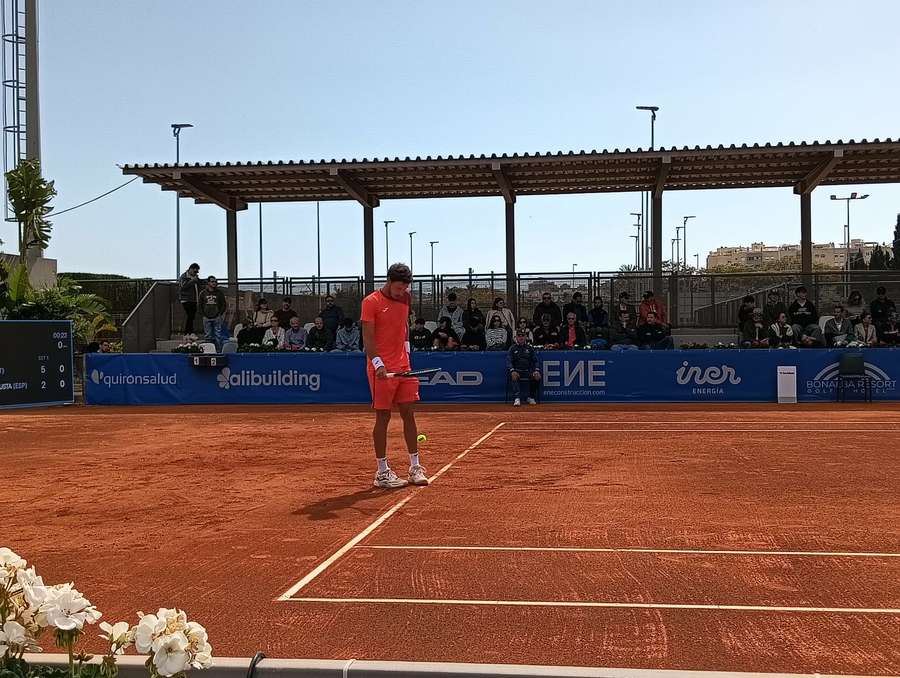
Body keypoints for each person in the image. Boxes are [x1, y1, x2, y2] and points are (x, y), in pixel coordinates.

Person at [360, 263, 428, 488]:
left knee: (408, 412)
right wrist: (377, 363)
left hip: (403, 365)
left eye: (404, 288)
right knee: (383, 416)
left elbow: (404, 325)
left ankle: (415, 467)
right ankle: (382, 472)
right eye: (398, 288)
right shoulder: (370, 302)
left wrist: (406, 352)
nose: (401, 292)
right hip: (381, 368)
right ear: (388, 281)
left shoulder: (406, 297)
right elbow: (368, 338)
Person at [507, 329, 541, 406]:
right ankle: (517, 398)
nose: (521, 337)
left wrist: (536, 370)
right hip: (517, 371)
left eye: (523, 335)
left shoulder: (530, 348)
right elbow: (509, 361)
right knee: (514, 375)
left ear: (525, 337)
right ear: (516, 337)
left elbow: (536, 361)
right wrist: (512, 370)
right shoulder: (512, 348)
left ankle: (531, 397)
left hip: (528, 371)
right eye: (519, 335)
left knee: (537, 376)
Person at [200, 276, 228, 350]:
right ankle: (208, 350)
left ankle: (218, 351)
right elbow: (200, 305)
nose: (214, 283)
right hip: (206, 317)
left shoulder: (219, 293)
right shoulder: (203, 293)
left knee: (218, 335)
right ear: (208, 283)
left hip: (217, 317)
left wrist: (219, 313)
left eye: (215, 282)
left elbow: (223, 304)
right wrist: (203, 314)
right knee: (207, 336)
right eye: (212, 281)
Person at [178, 263, 201, 335]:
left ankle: (189, 332)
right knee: (190, 315)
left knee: (191, 316)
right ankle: (188, 333)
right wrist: (193, 281)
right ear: (190, 269)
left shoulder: (195, 277)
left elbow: (199, 283)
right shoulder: (184, 276)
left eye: (197, 272)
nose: (196, 273)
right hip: (186, 299)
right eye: (195, 271)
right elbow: (183, 286)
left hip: (194, 299)